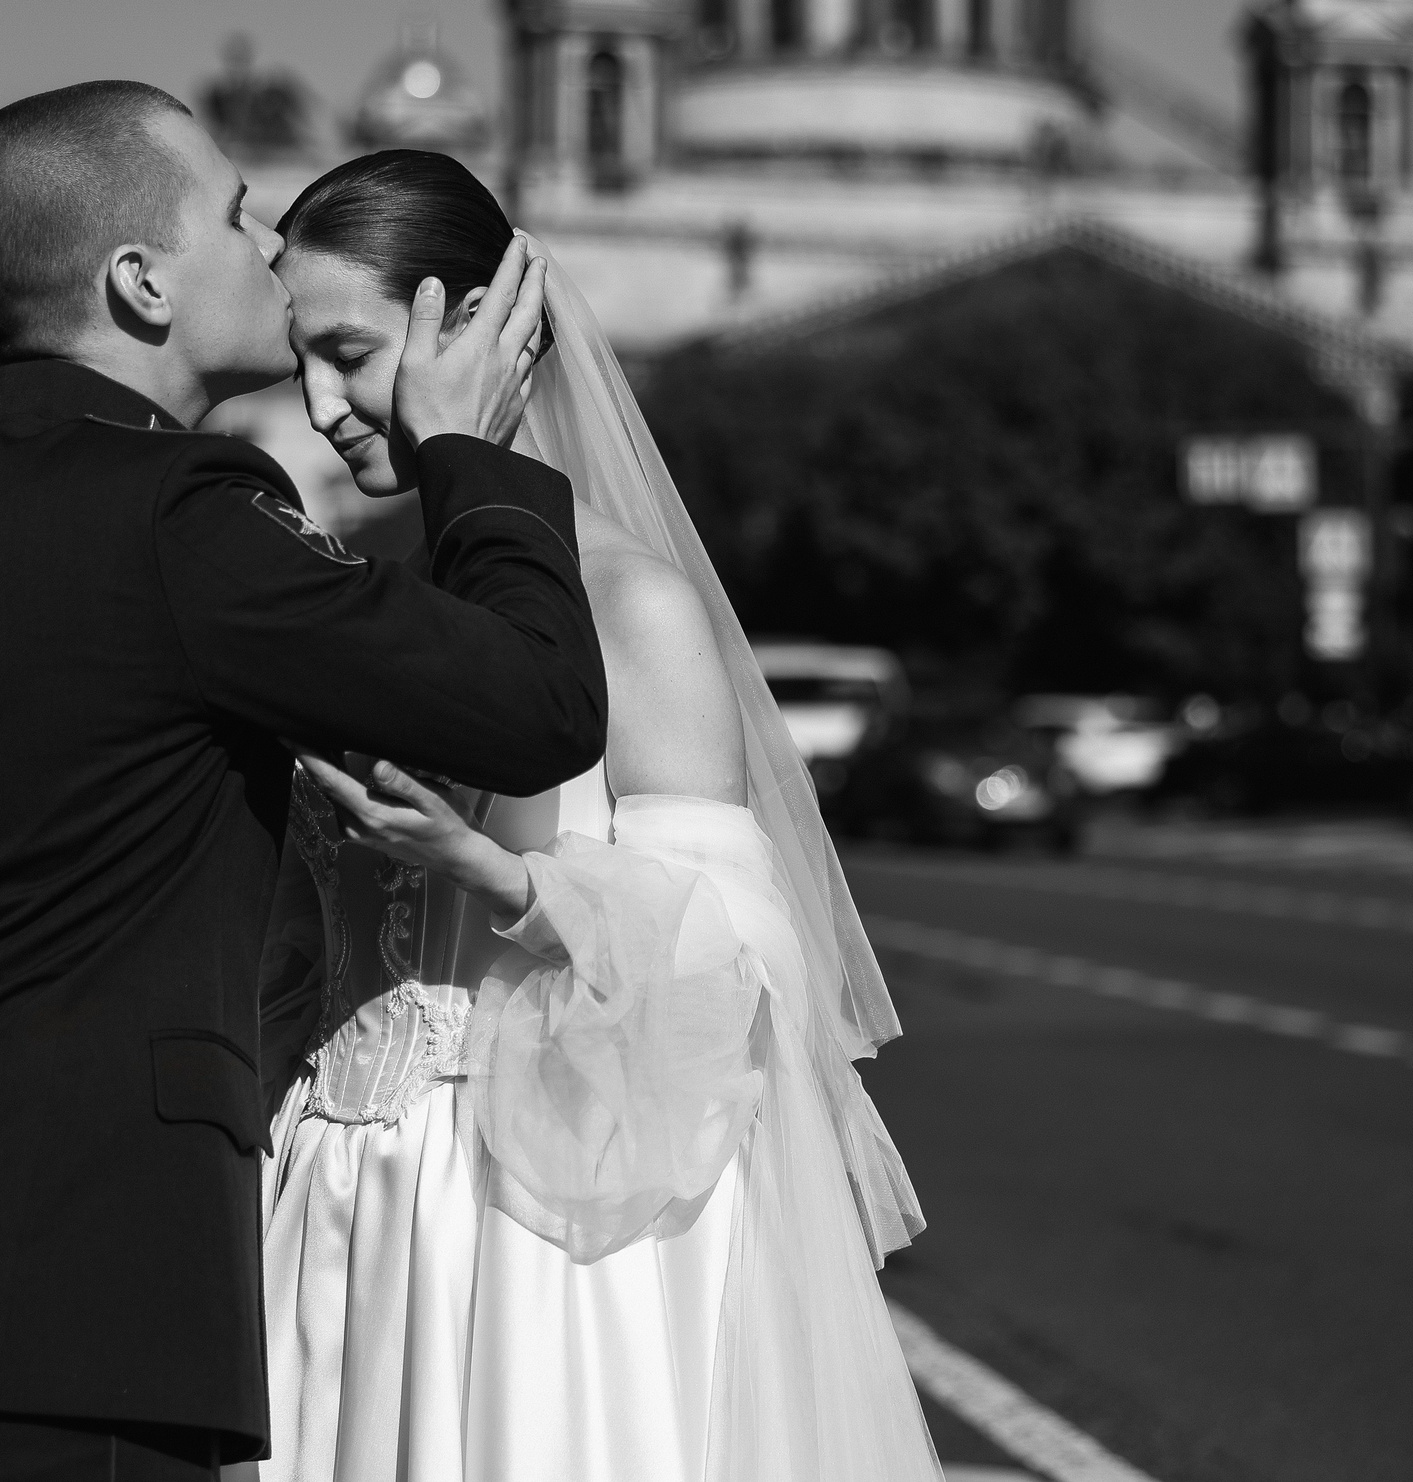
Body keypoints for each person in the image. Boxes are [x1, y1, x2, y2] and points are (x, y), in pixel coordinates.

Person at [0, 84, 609, 1481]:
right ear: (141, 283)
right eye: (236, 213)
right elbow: (539, 708)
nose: (269, 242)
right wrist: (459, 449)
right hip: (79, 1339)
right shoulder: (186, 524)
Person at [244, 149, 940, 1482]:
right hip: (333, 1191)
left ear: (472, 331)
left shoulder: (631, 606)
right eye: (303, 365)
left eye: (351, 351)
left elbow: (743, 964)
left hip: (535, 1216)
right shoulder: (351, 590)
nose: (325, 406)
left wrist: (500, 880)